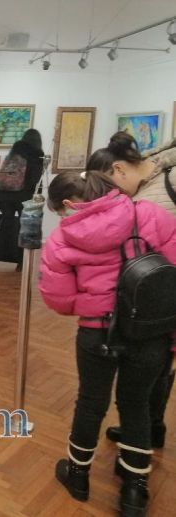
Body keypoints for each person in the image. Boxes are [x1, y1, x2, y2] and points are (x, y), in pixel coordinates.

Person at [38, 169, 176, 516]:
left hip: (98, 331)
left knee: (90, 402)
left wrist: (92, 303)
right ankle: (134, 491)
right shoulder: (149, 214)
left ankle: (78, 476)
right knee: (137, 404)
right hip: (149, 331)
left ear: (68, 203)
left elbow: (58, 299)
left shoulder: (62, 238)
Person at [86, 132, 176, 450]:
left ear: (120, 169)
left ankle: (148, 430)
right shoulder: (149, 183)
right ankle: (148, 428)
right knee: (157, 362)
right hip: (150, 291)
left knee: (159, 362)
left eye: (109, 185)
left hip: (165, 287)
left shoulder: (167, 181)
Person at [0, 129, 45, 273]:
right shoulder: (36, 154)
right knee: (25, 229)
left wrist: (0, 198)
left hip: (5, 196)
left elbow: (3, 176)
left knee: (5, 226)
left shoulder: (13, 152)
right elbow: (35, 179)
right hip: (24, 196)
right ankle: (21, 263)